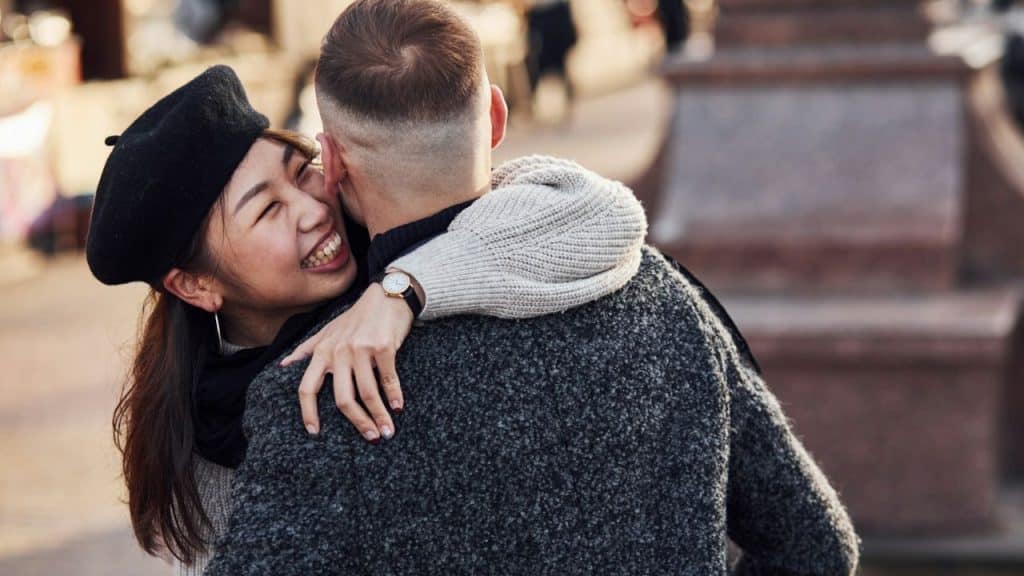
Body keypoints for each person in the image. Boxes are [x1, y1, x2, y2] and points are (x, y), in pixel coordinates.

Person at [202, 1, 860, 574]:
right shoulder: (665, 300)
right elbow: (814, 545)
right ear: (495, 117)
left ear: (336, 162)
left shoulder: (321, 395)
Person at [85, 65, 648, 573]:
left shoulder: (396, 225)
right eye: (268, 209)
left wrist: (404, 289)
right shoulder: (206, 438)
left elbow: (608, 214)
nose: (313, 209)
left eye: (301, 170)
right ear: (195, 285)